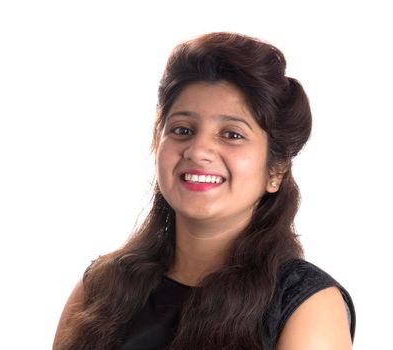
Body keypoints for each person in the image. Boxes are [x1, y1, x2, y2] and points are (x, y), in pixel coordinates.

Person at [53, 32, 356, 350]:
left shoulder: (307, 306)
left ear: (275, 169)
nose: (198, 151)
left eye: (231, 134)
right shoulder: (101, 288)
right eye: (182, 130)